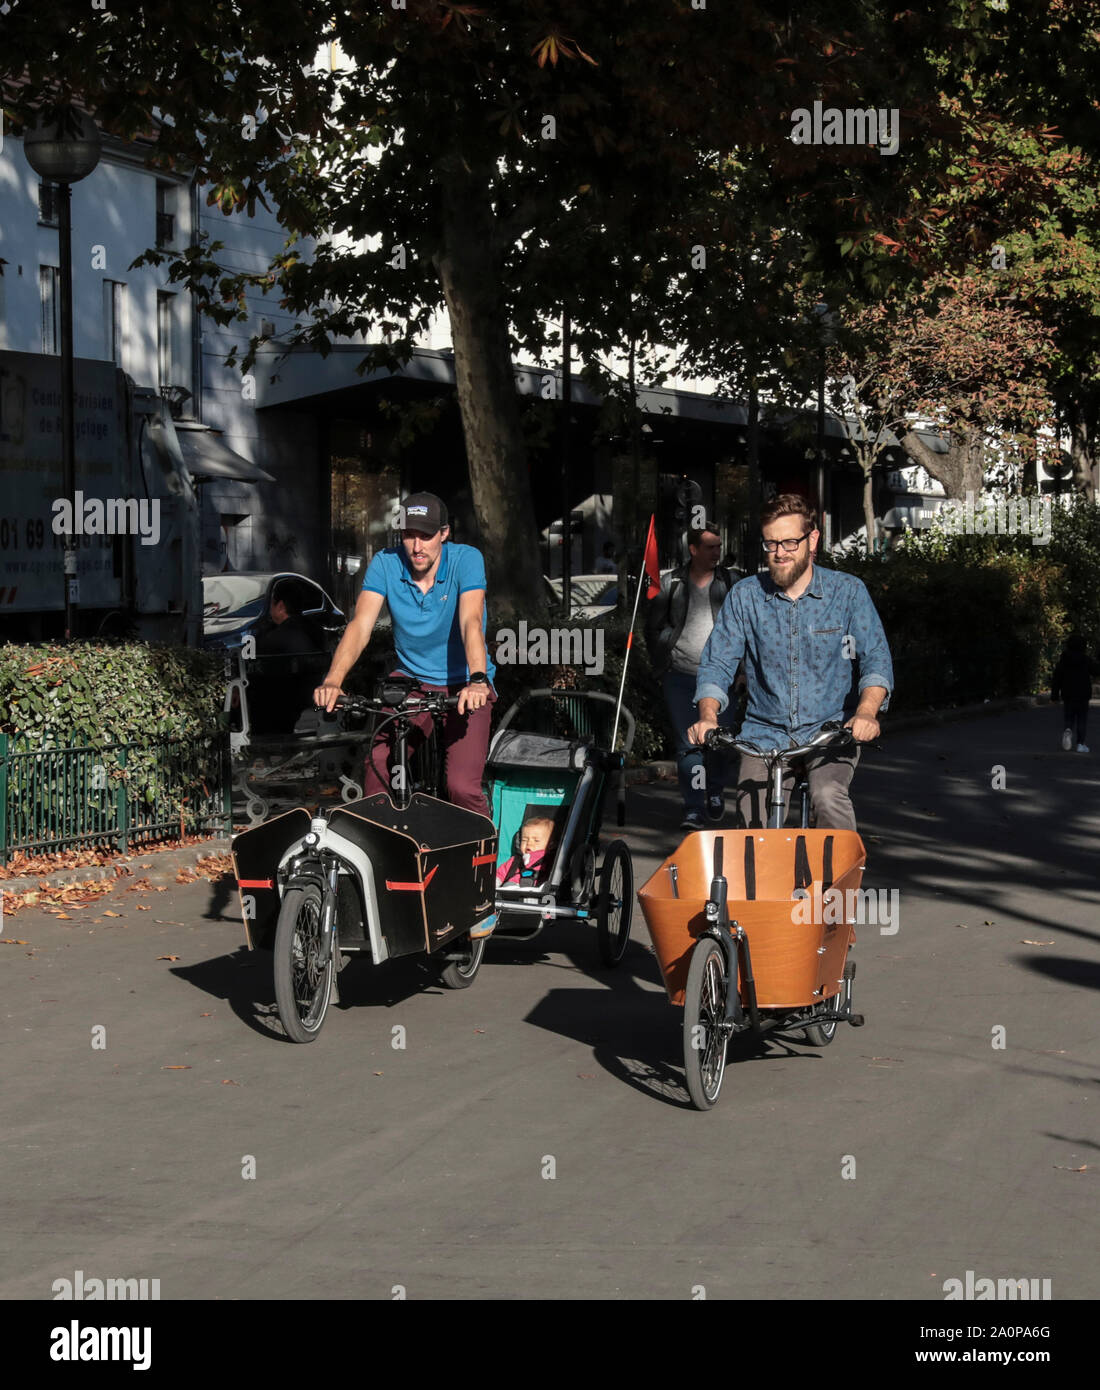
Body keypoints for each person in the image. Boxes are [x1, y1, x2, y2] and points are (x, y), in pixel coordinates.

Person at [687, 494, 893, 832]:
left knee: (828, 797)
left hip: (829, 731)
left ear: (812, 539)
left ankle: (841, 885)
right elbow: (718, 662)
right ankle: (761, 885)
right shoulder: (746, 596)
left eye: (788, 542)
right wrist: (707, 717)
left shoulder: (848, 592)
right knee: (751, 817)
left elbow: (876, 660)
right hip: (764, 733)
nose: (779, 553)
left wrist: (866, 712)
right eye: (771, 544)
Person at [313, 491, 497, 818]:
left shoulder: (466, 560)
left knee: (461, 787)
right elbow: (360, 626)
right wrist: (333, 680)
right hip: (411, 680)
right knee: (378, 767)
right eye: (409, 536)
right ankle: (382, 853)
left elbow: (471, 621)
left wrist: (478, 680)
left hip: (465, 684)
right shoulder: (386, 563)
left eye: (426, 536)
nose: (416, 546)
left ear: (444, 533)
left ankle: (482, 860)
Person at [645, 521, 738, 830]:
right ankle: (694, 807)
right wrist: (663, 664)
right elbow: (653, 627)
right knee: (689, 744)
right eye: (710, 546)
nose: (716, 552)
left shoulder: (732, 582)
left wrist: (744, 671)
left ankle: (714, 791)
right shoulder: (673, 584)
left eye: (719, 546)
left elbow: (749, 630)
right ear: (694, 549)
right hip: (681, 676)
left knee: (720, 742)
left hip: (723, 679)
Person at [1051, 633, 1094, 753]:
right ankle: (1080, 744)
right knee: (1082, 719)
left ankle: (1068, 730)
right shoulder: (1086, 660)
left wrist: (1054, 695)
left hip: (1068, 693)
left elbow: (1057, 678)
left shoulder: (1063, 660)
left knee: (1069, 716)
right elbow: (1096, 670)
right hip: (1083, 694)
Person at [496, 813, 555, 884]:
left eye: (536, 840)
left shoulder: (551, 861)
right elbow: (500, 874)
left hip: (537, 891)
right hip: (511, 890)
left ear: (551, 843)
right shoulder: (515, 861)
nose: (529, 843)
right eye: (524, 840)